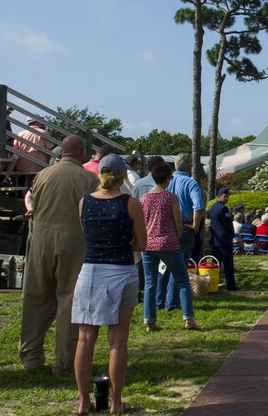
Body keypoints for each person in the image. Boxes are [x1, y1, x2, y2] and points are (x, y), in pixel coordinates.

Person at [72, 154, 147, 415]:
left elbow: (88, 236)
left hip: (90, 270)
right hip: (121, 271)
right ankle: (116, 401)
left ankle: (83, 401)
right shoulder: (131, 204)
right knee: (117, 341)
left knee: (84, 339)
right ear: (123, 176)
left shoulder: (84, 202)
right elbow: (141, 243)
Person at [19, 135, 96, 375]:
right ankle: (64, 360)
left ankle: (30, 355)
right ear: (82, 151)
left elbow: (31, 199)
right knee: (69, 300)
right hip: (74, 240)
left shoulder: (42, 175)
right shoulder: (88, 179)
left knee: (35, 296)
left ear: (60, 151)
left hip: (41, 239)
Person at [140, 162, 196, 331]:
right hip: (168, 242)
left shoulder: (144, 198)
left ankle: (149, 321)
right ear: (167, 179)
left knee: (150, 283)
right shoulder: (171, 198)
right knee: (182, 280)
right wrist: (176, 236)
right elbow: (178, 223)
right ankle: (188, 319)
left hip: (148, 243)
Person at [159, 156, 205, 311]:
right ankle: (172, 302)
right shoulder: (190, 183)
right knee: (179, 267)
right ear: (190, 167)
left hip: (166, 227)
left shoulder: (167, 182)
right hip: (184, 227)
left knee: (164, 265)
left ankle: (159, 300)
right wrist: (196, 225)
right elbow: (198, 206)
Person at [208, 187, 239, 290]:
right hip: (224, 240)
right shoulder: (223, 208)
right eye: (225, 196)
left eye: (227, 196)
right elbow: (227, 224)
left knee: (216, 264)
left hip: (215, 240)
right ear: (219, 196)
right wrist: (232, 234)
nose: (227, 198)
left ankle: (213, 284)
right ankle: (231, 285)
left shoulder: (213, 208)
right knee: (228, 264)